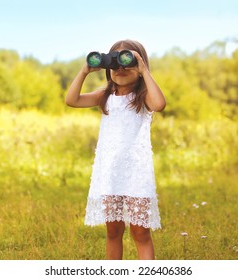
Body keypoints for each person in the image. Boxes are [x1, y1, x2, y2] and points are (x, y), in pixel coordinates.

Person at [65, 39, 166, 260]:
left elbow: (159, 104)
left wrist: (144, 70)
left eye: (127, 61)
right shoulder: (105, 95)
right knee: (113, 231)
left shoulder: (144, 97)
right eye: (115, 63)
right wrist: (84, 71)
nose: (120, 68)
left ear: (140, 68)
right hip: (110, 173)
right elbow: (71, 100)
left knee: (140, 232)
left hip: (136, 173)